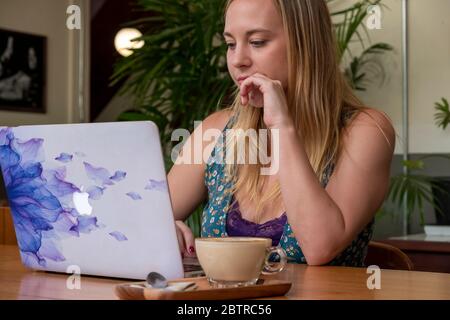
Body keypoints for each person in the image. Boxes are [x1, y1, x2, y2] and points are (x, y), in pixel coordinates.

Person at [168, 0, 395, 266]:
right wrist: (161, 232)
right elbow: (135, 223)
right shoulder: (216, 131)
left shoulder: (365, 131)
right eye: (231, 44)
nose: (238, 60)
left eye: (258, 42)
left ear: (306, 45)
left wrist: (281, 126)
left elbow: (319, 246)